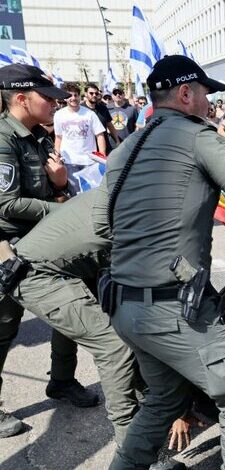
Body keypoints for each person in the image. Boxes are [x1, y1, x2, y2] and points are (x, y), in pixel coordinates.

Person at [105, 55, 225, 470]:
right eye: (205, 95)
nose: (209, 104)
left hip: (123, 302)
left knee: (164, 397)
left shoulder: (126, 148)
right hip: (172, 306)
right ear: (186, 93)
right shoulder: (198, 137)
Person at [0, 63, 97, 438]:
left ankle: (61, 380)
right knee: (5, 325)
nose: (56, 105)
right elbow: (5, 204)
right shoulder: (5, 139)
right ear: (22, 99)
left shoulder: (39, 136)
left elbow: (53, 188)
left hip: (46, 240)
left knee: (71, 306)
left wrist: (60, 184)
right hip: (10, 246)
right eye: (49, 98)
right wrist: (61, 207)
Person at [10, 182, 139, 445]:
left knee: (75, 316)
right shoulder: (136, 209)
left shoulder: (123, 189)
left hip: (59, 261)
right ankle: (135, 451)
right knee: (114, 346)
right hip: (28, 270)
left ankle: (60, 381)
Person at [54, 83, 107, 194]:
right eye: (70, 95)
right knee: (75, 194)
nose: (73, 98)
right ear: (65, 98)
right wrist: (57, 155)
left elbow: (100, 135)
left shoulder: (90, 114)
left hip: (89, 161)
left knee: (91, 192)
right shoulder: (59, 115)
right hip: (69, 161)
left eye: (76, 95)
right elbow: (58, 137)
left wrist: (101, 156)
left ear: (80, 96)